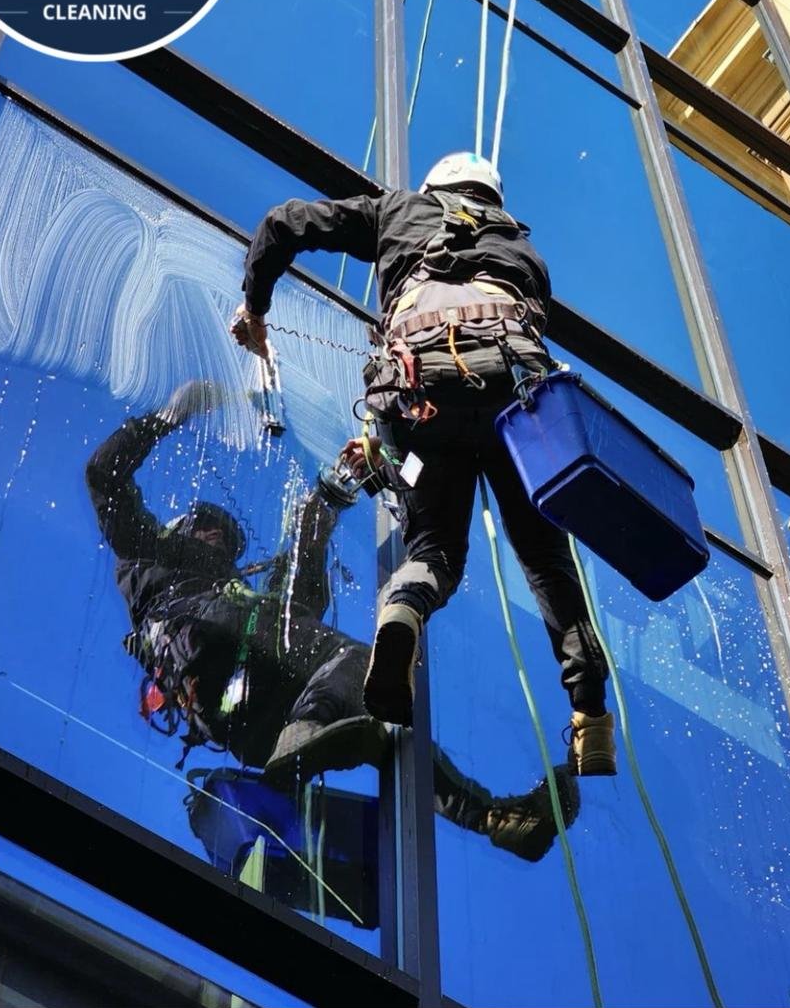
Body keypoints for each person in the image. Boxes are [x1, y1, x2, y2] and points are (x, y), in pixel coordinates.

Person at [231, 153, 616, 777]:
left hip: (419, 393)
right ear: (491, 197)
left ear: (433, 186)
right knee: (546, 561)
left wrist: (255, 308)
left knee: (435, 549)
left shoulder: (397, 211)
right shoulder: (525, 253)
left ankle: (402, 612)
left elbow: (285, 222)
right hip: (516, 398)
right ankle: (590, 714)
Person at [85, 379, 580, 862]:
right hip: (217, 655)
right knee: (367, 668)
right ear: (179, 529)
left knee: (385, 713)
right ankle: (304, 740)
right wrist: (168, 417)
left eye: (228, 538)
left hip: (253, 716)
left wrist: (331, 492)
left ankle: (490, 818)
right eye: (207, 527)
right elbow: (104, 475)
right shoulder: (150, 560)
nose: (219, 538)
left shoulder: (245, 604)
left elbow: (299, 584)